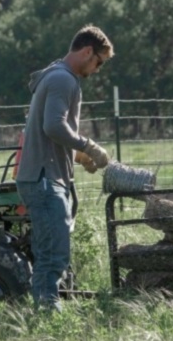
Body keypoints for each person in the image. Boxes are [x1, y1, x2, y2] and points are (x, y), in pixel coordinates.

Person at [16, 26, 114, 309]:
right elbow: (54, 126)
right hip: (45, 180)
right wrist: (88, 146)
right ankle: (47, 317)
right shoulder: (63, 79)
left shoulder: (56, 74)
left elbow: (50, 134)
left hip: (45, 176)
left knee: (51, 254)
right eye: (99, 62)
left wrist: (76, 156)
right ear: (86, 52)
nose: (98, 69)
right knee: (52, 256)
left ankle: (46, 309)